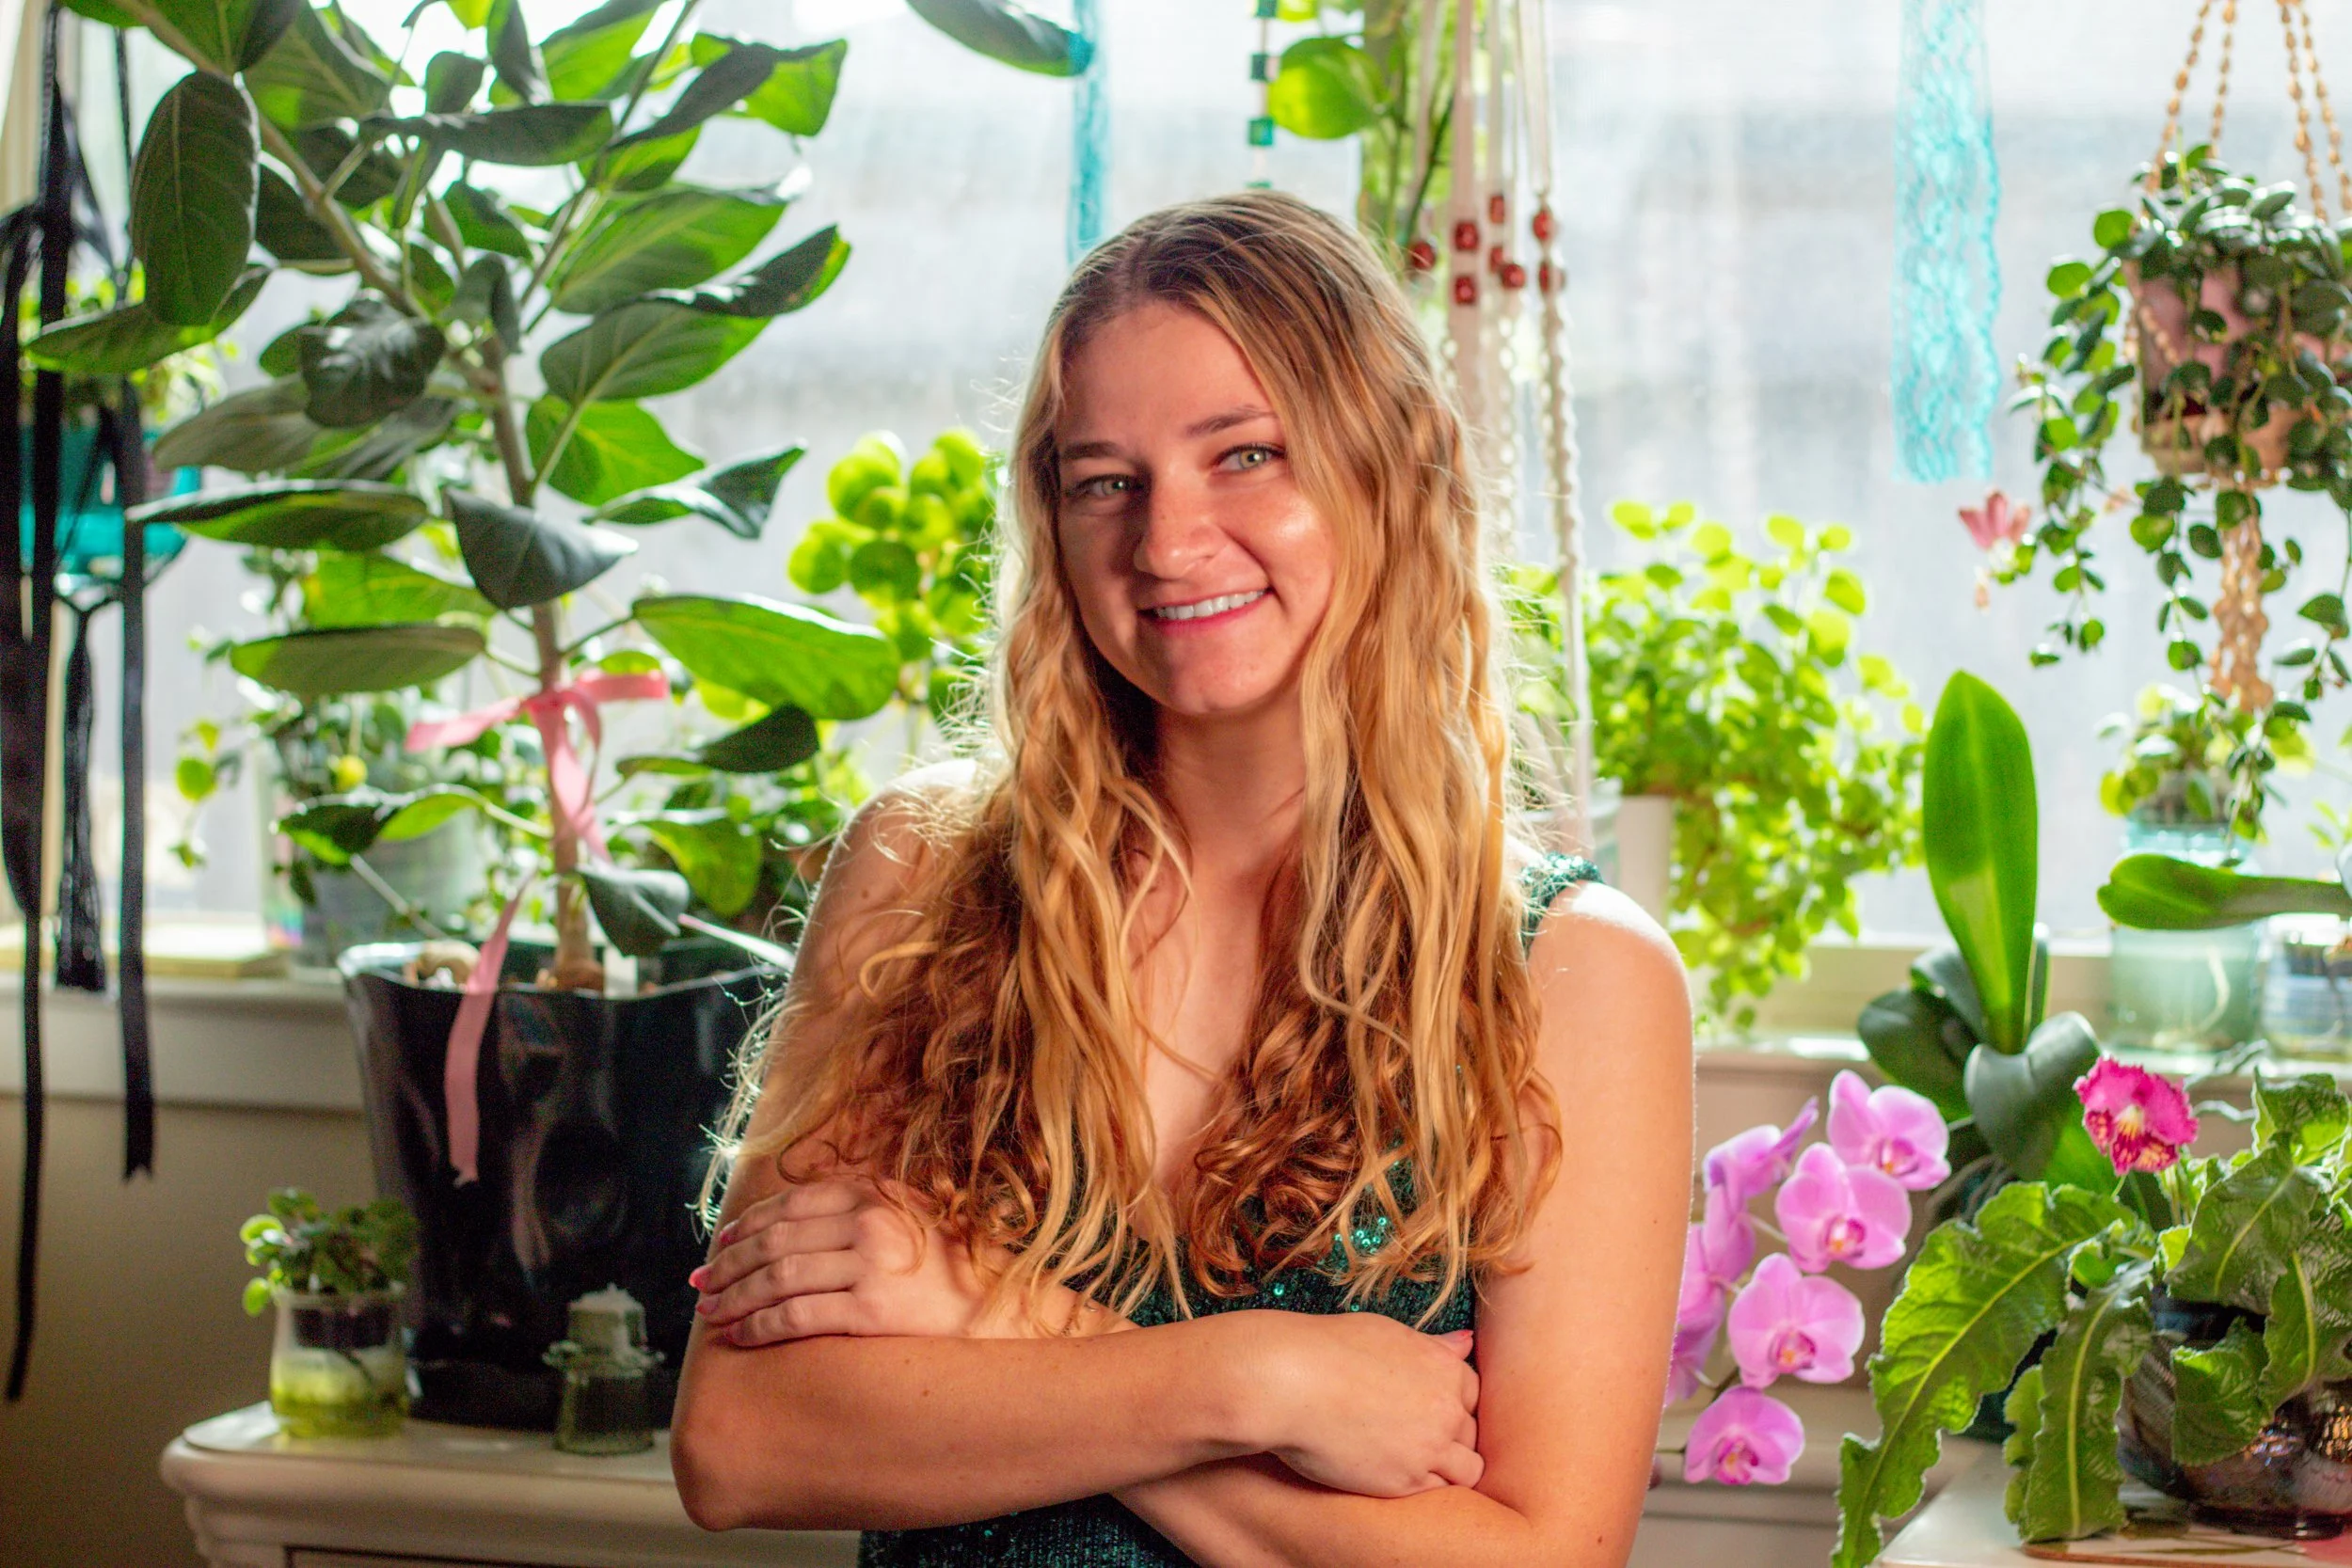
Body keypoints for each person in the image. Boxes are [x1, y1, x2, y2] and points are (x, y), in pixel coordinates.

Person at [669, 190, 1693, 1568]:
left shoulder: (1570, 969)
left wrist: (994, 1319)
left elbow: (1537, 1557)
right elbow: (741, 1440)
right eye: (1107, 480)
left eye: (1246, 455)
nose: (1163, 541)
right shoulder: (917, 873)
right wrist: (1257, 1381)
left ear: (1389, 468)